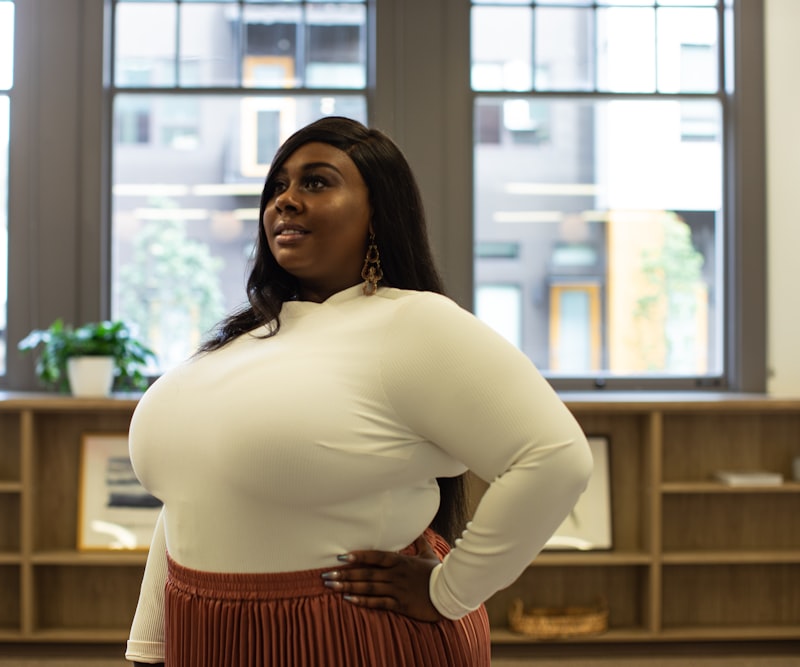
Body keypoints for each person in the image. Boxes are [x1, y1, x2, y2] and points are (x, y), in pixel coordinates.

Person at [125, 116, 592, 666]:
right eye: (278, 187)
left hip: (346, 635)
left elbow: (555, 458)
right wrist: (150, 644)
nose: (286, 201)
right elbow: (191, 493)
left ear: (377, 212)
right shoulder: (243, 340)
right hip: (207, 632)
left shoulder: (413, 324)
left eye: (316, 182)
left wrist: (450, 591)